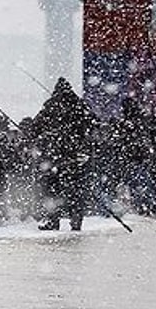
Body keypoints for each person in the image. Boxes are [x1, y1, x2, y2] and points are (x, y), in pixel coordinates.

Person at [30, 77, 95, 230]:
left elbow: (35, 127)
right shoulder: (80, 106)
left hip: (55, 156)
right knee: (76, 190)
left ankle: (53, 220)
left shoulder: (51, 106)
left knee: (52, 189)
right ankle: (76, 221)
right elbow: (93, 122)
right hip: (76, 156)